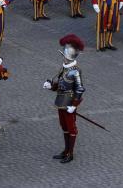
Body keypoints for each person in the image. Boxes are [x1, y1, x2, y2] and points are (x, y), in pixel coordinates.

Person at [42, 34, 85, 163]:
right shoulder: (63, 68)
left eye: (65, 57)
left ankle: (70, 153)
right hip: (60, 101)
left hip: (69, 103)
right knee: (64, 126)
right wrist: (51, 86)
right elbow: (60, 86)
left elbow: (80, 89)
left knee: (71, 128)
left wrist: (74, 105)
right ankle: (66, 150)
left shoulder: (75, 71)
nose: (64, 59)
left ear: (70, 57)